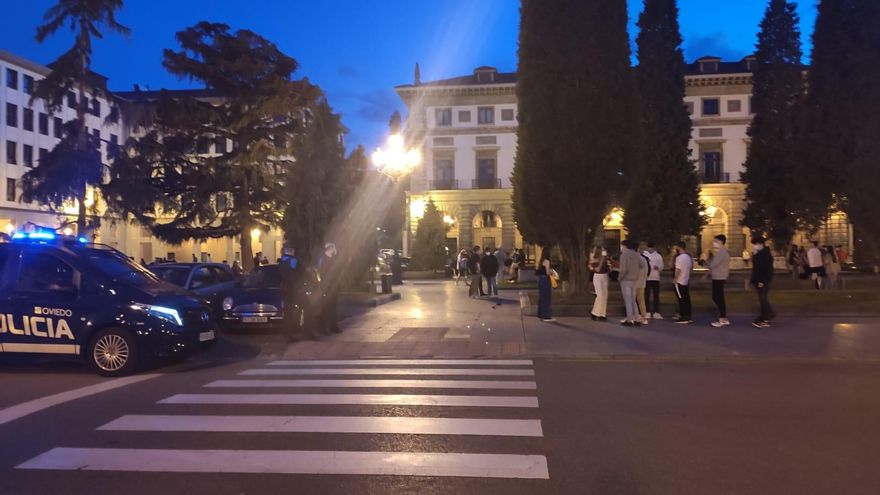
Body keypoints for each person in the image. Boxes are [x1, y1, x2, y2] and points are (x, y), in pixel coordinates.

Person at [279, 244, 309, 341]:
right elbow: (298, 272)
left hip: (284, 289)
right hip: (293, 289)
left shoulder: (282, 260)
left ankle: (286, 333)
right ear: (292, 251)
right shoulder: (292, 260)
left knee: (287, 312)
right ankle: (291, 334)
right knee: (293, 311)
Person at [617, 240, 646, 326]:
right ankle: (637, 318)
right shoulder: (636, 254)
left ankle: (629, 319)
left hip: (626, 279)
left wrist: (619, 278)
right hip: (635, 279)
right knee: (633, 300)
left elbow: (623, 269)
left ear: (625, 246)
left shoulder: (624, 255)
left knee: (628, 300)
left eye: (621, 246)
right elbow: (642, 264)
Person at [317, 242, 341, 334]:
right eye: (333, 248)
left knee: (333, 308)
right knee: (325, 308)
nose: (335, 250)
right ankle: (323, 329)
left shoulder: (333, 259)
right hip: (326, 287)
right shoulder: (323, 259)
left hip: (334, 287)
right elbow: (321, 273)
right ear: (330, 248)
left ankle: (333, 327)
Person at [750, 236, 775, 328]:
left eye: (756, 244)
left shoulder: (766, 254)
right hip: (758, 280)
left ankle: (765, 318)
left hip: (762, 280)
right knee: (763, 299)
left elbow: (767, 269)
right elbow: (756, 268)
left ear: (761, 244)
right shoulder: (759, 253)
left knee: (763, 299)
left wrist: (762, 281)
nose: (755, 246)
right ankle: (769, 314)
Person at [708, 234, 731, 327]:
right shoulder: (721, 252)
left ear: (721, 242)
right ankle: (723, 317)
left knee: (718, 297)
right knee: (717, 297)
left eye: (715, 241)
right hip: (718, 277)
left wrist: (708, 261)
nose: (714, 243)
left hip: (719, 277)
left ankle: (723, 318)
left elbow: (713, 264)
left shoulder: (722, 252)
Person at [673, 241, 693, 324]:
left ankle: (684, 317)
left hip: (680, 281)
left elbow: (678, 269)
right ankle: (687, 315)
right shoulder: (688, 257)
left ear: (679, 248)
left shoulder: (679, 258)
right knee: (686, 299)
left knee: (681, 299)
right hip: (685, 280)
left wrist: (675, 279)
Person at [643, 243, 663, 319]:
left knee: (656, 295)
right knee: (646, 295)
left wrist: (658, 267)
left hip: (656, 278)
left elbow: (661, 266)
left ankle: (656, 312)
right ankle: (647, 311)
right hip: (647, 278)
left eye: (652, 248)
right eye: (649, 248)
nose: (650, 249)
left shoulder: (658, 256)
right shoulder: (644, 255)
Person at [590, 247, 610, 321]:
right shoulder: (594, 259)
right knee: (600, 295)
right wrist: (602, 259)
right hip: (598, 277)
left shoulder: (605, 259)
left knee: (605, 295)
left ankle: (602, 314)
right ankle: (595, 313)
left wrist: (607, 259)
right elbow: (597, 269)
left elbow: (608, 268)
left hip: (605, 276)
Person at [536, 246, 555, 322]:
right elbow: (547, 272)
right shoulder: (547, 261)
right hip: (545, 280)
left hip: (540, 279)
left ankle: (540, 314)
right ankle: (545, 316)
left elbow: (537, 270)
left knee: (541, 297)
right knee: (546, 297)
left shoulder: (540, 260)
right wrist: (551, 272)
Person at [635, 245, 650, 325]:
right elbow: (646, 271)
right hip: (641, 282)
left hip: (634, 283)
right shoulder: (644, 259)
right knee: (641, 301)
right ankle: (644, 317)